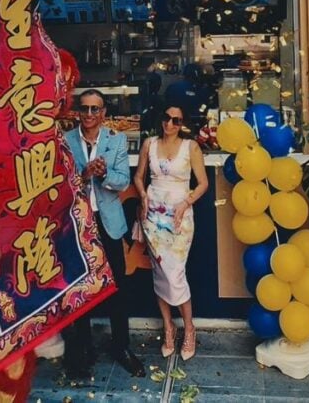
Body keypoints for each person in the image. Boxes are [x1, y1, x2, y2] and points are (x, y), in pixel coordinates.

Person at [63, 89, 145, 378]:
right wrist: (83, 176)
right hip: (79, 225)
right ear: (77, 112)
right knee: (83, 287)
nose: (89, 115)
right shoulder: (65, 140)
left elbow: (123, 181)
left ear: (103, 113)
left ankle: (120, 345)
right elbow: (59, 184)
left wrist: (102, 174)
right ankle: (83, 346)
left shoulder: (116, 139)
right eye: (84, 109)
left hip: (108, 222)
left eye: (95, 109)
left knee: (116, 286)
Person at [133, 104, 209, 361]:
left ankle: (189, 327)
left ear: (183, 124)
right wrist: (142, 195)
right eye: (166, 118)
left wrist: (186, 202)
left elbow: (203, 184)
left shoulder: (191, 148)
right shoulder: (149, 144)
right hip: (152, 214)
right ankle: (168, 326)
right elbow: (138, 177)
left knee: (174, 273)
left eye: (176, 120)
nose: (170, 124)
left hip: (179, 216)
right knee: (159, 271)